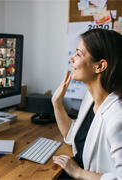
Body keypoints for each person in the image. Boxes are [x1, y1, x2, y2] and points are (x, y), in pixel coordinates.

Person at [52, 29, 122, 180]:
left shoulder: (118, 117)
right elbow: (72, 135)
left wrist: (78, 173)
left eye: (78, 54)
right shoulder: (90, 98)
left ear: (100, 66)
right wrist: (56, 103)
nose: (71, 58)